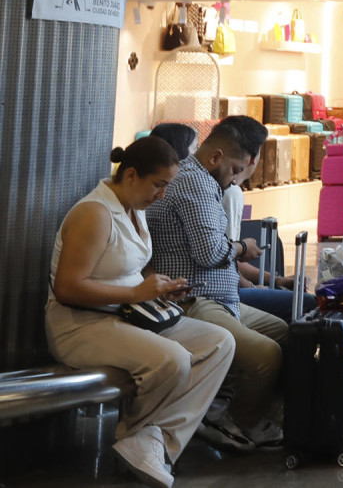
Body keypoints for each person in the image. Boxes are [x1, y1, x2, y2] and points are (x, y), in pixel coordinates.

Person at [46, 137, 235, 488]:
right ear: (131, 175)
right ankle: (140, 440)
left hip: (126, 315)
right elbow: (67, 288)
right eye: (158, 184)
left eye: (166, 186)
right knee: (173, 360)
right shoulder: (94, 213)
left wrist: (159, 288)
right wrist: (136, 291)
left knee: (220, 342)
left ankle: (151, 440)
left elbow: (123, 270)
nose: (161, 194)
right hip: (79, 326)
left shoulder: (134, 209)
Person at [145, 115, 285, 451]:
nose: (235, 181)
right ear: (216, 157)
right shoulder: (194, 183)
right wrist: (243, 248)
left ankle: (262, 412)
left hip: (217, 298)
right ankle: (231, 418)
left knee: (284, 332)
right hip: (192, 300)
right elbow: (209, 252)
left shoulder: (205, 181)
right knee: (266, 353)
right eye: (236, 170)